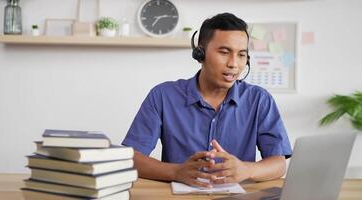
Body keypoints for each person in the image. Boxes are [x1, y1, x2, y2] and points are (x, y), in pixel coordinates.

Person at [122, 12, 292, 188]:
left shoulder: (259, 100)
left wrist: (246, 170)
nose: (234, 64)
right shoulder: (163, 96)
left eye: (241, 55)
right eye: (224, 52)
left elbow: (278, 163)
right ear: (200, 53)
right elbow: (132, 157)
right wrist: (176, 172)